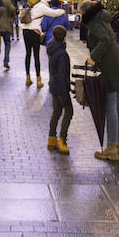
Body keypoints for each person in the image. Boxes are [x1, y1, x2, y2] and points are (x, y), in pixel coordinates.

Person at [81, 0, 119, 163]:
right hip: (118, 62)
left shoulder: (95, 23)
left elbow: (104, 40)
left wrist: (93, 58)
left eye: (80, 14)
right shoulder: (102, 18)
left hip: (111, 66)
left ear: (86, 13)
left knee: (111, 106)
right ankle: (118, 143)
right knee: (117, 105)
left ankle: (111, 148)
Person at [46, 24, 73, 153]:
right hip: (61, 89)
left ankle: (51, 138)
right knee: (69, 111)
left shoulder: (52, 49)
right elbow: (62, 74)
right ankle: (62, 139)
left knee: (56, 112)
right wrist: (66, 92)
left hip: (53, 86)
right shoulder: (62, 54)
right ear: (64, 37)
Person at [0, 0, 16, 70]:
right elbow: (13, 10)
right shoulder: (7, 1)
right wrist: (11, 16)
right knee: (7, 44)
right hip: (6, 26)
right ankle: (6, 61)